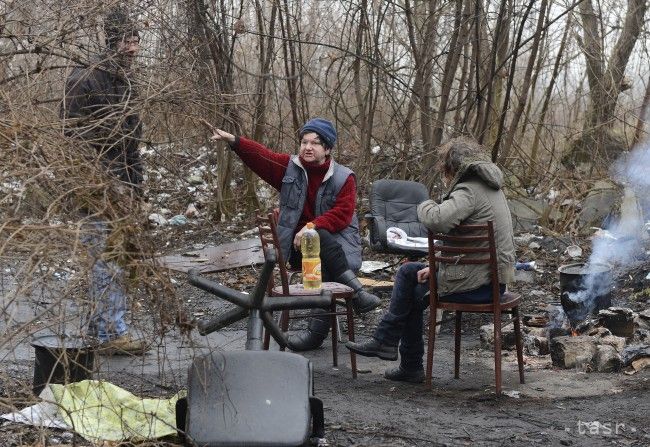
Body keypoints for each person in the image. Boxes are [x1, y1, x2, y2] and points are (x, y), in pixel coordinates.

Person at [345, 137, 515, 383]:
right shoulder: (490, 187)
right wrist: (435, 268)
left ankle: (396, 350)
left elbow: (438, 220)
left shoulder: (468, 190)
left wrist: (423, 204)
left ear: (451, 168)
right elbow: (469, 246)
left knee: (410, 289)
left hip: (480, 286)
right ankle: (393, 348)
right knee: (410, 275)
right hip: (491, 279)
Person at [208, 118, 381, 350]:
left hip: (337, 252)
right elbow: (262, 157)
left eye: (315, 143)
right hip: (300, 251)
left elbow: (342, 214)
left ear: (327, 149)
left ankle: (314, 336)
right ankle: (358, 294)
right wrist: (235, 141)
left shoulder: (344, 177)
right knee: (318, 241)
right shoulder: (289, 168)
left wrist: (310, 228)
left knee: (321, 240)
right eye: (304, 142)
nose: (308, 147)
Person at [61, 8, 148, 354]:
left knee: (115, 259)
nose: (133, 49)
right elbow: (71, 140)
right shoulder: (85, 80)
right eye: (127, 41)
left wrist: (135, 187)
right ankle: (111, 333)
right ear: (112, 41)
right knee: (106, 260)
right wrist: (95, 185)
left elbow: (131, 142)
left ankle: (105, 329)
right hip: (95, 188)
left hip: (120, 185)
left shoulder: (124, 83)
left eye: (137, 41)